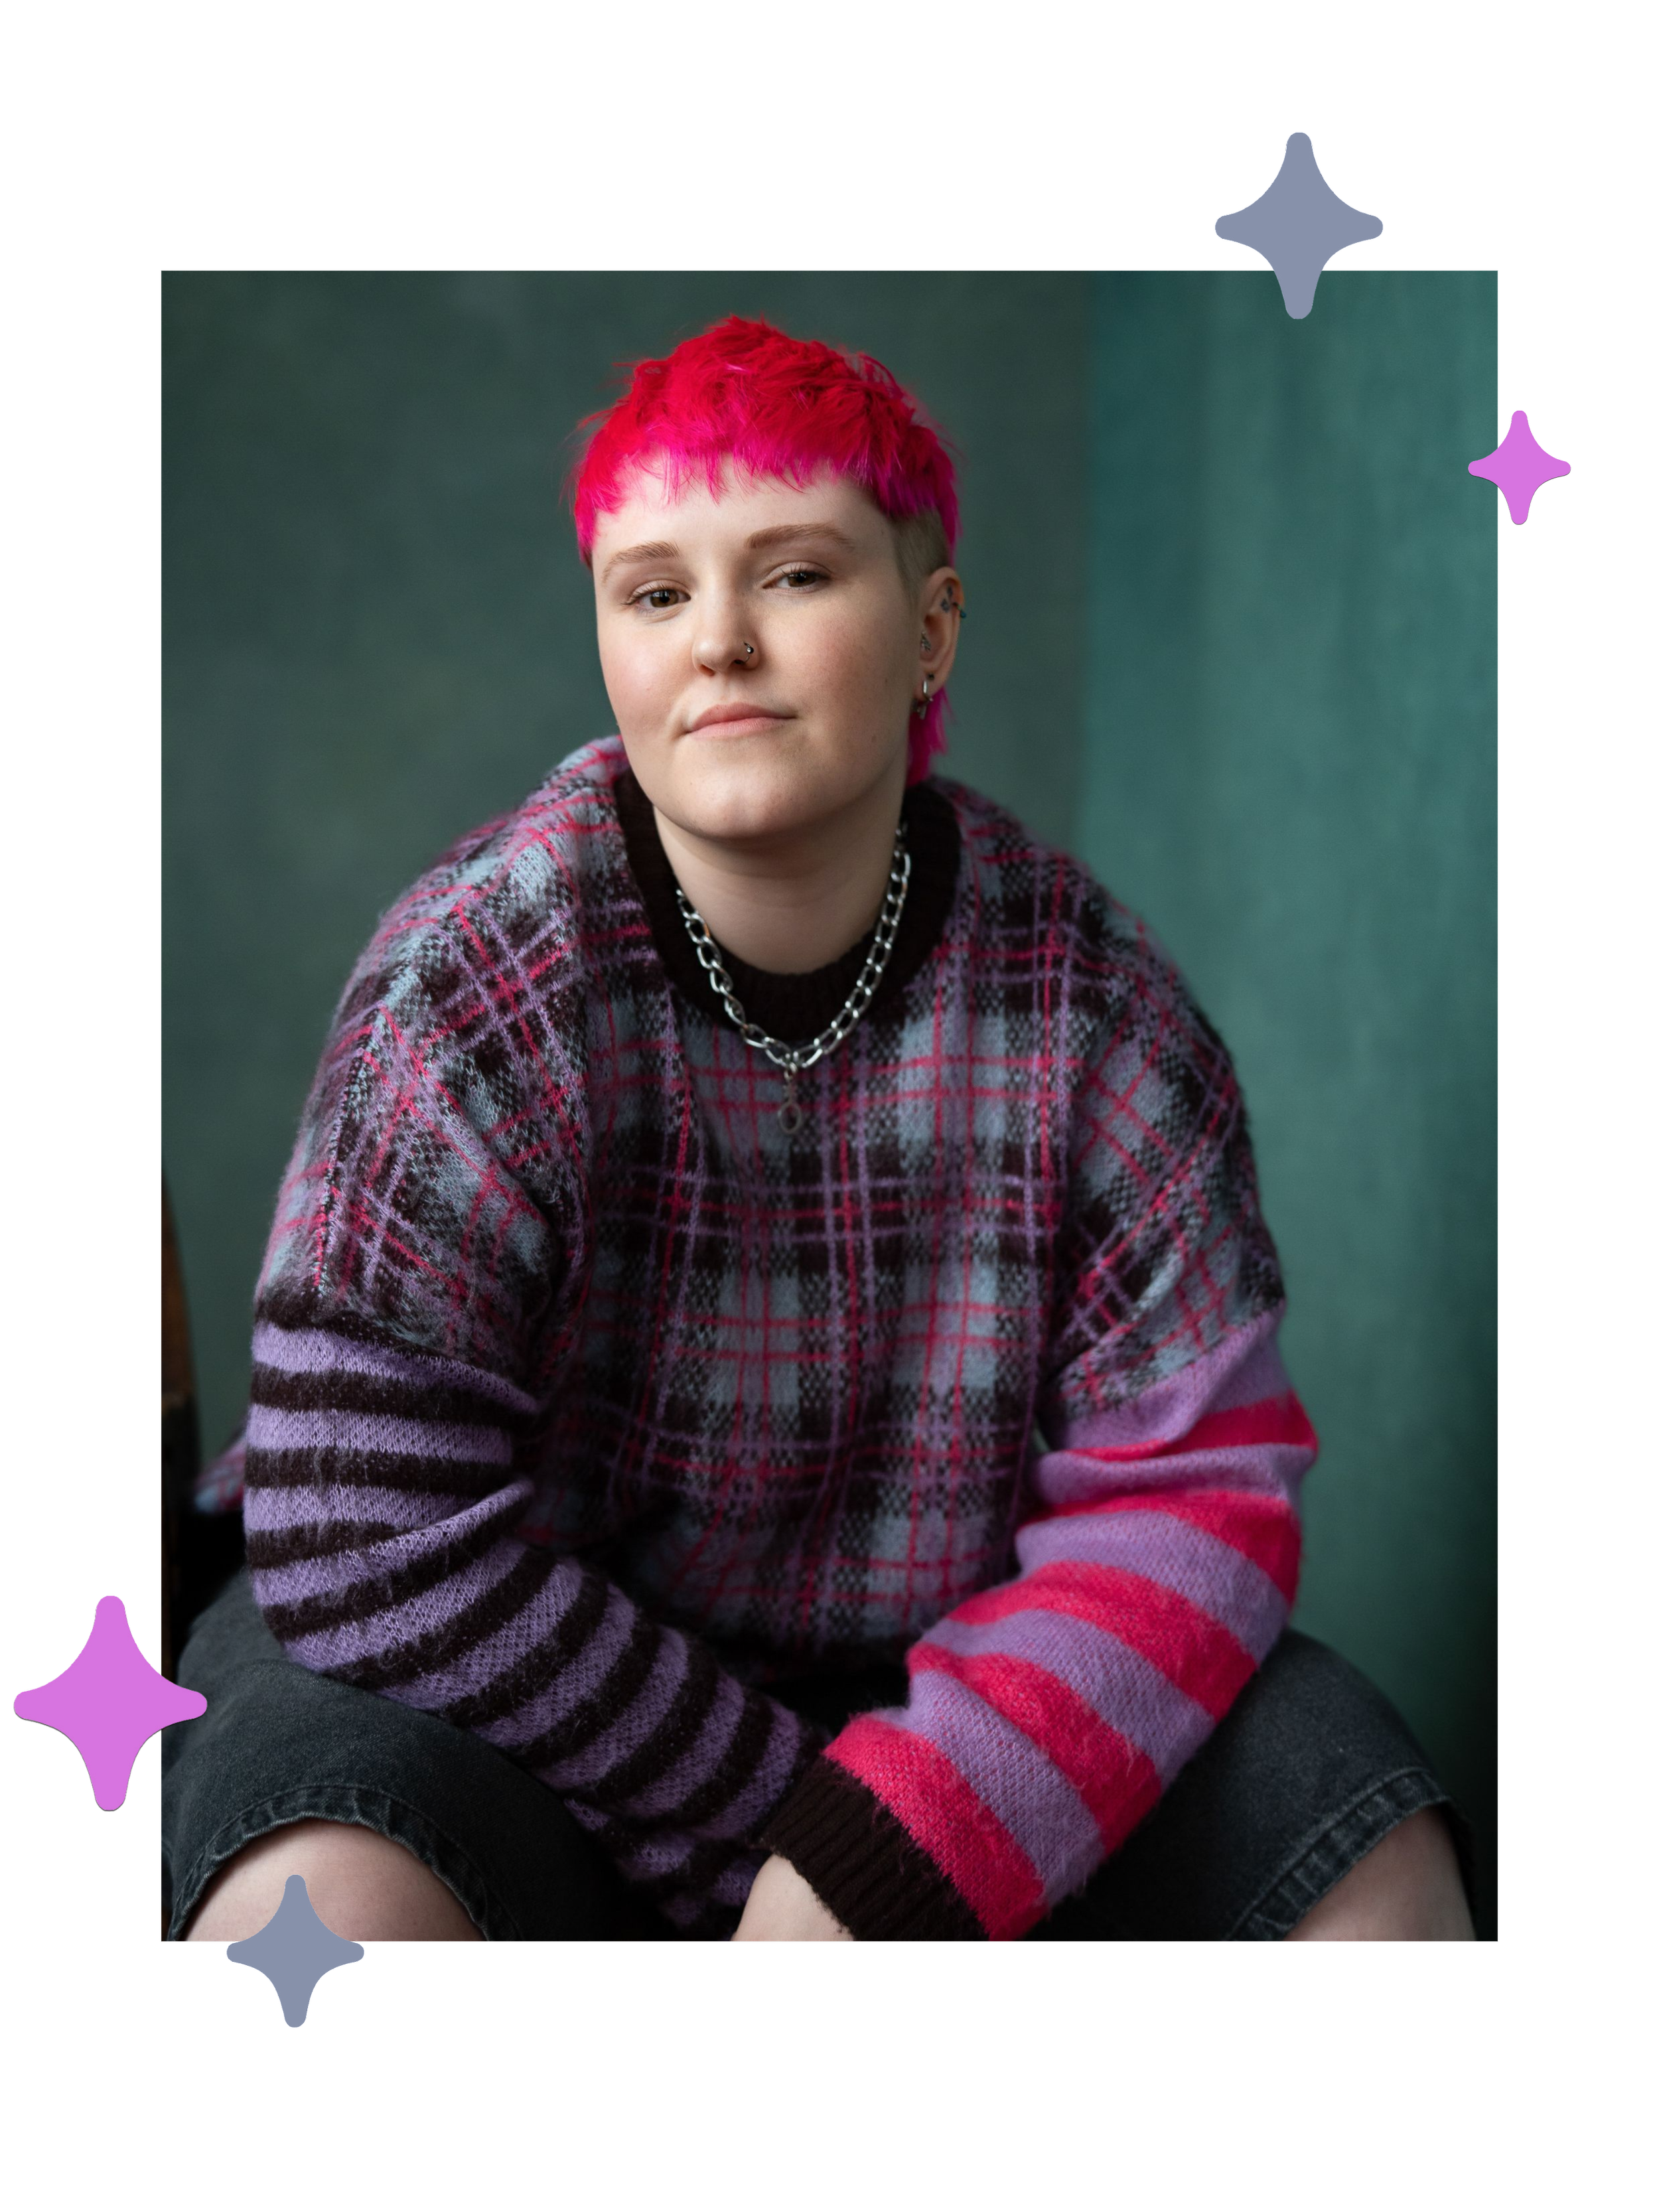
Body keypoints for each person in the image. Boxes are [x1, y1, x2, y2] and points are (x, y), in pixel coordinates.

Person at [163, 313, 1477, 1944]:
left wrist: (915, 1825)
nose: (716, 640)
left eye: (791, 575)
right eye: (655, 592)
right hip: (487, 1666)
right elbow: (362, 1522)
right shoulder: (481, 981)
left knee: (1372, 1850)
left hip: (952, 1683)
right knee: (318, 1896)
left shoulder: (1093, 1007)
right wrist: (787, 1826)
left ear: (930, 632)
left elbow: (1194, 1487)